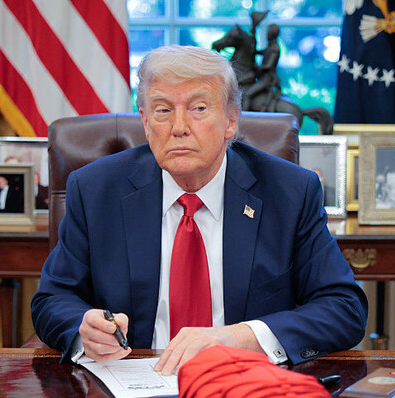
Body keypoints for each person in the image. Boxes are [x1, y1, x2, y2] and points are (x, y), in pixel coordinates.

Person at [31, 45, 368, 376]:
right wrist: (84, 330)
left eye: (199, 108)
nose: (179, 127)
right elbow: (52, 299)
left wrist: (243, 337)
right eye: (163, 110)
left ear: (231, 121)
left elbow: (344, 308)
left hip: (247, 386)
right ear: (146, 122)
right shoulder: (96, 190)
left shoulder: (289, 192)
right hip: (130, 388)